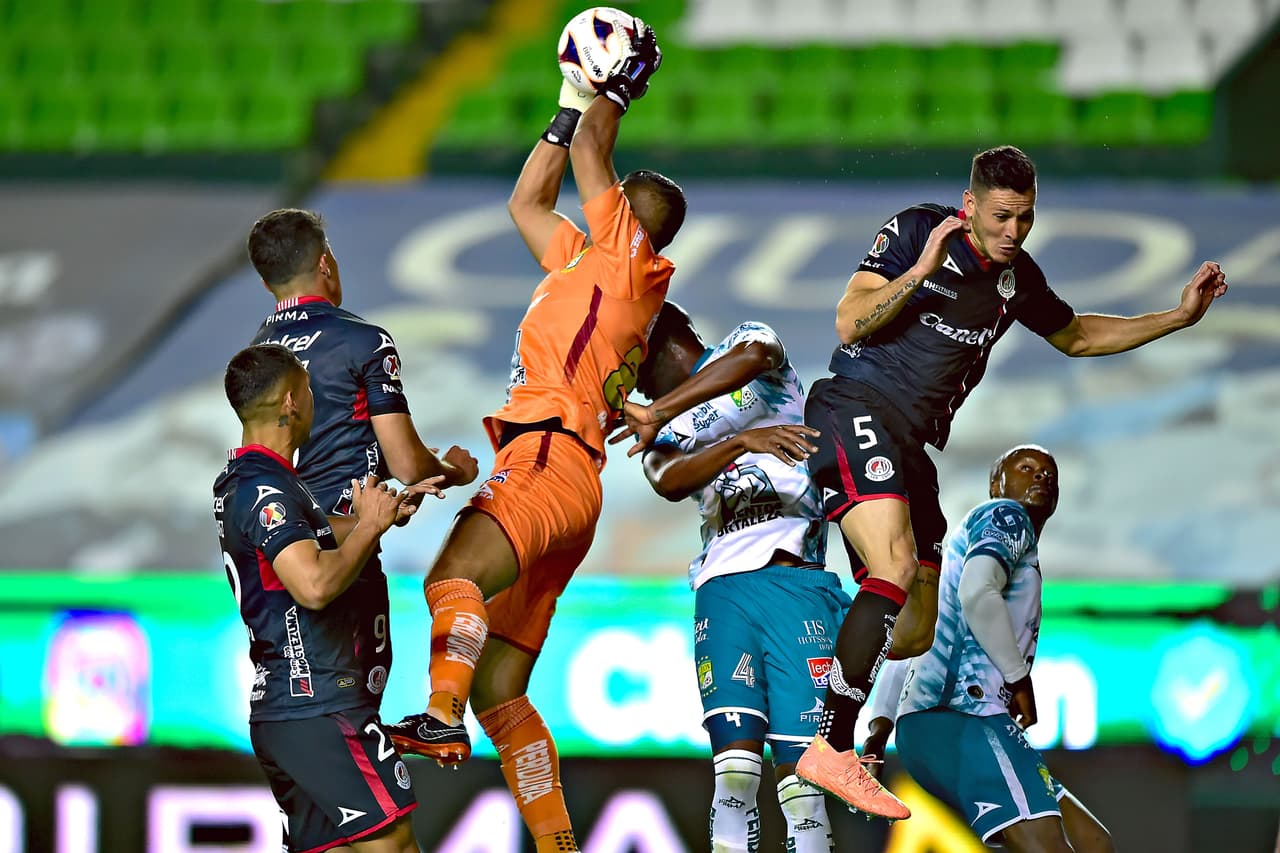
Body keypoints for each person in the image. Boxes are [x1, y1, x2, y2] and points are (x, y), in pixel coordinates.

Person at [794, 145, 1228, 818]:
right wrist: (921, 270)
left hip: (911, 446)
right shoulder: (918, 232)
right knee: (896, 562)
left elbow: (1079, 336)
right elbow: (850, 320)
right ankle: (831, 746)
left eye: (1024, 219)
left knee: (910, 628)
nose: (1012, 232)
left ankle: (817, 633)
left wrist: (1177, 318)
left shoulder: (1018, 277)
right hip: (855, 405)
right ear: (970, 207)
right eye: (1000, 217)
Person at [384, 24, 676, 853]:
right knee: (503, 687)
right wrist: (564, 104)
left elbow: (592, 151)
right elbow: (525, 202)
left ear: (639, 225)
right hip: (566, 479)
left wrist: (610, 89)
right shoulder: (586, 262)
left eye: (624, 198)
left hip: (546, 455)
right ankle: (556, 841)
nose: (609, 199)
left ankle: (439, 714)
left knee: (452, 575)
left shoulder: (629, 263)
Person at [624, 303, 839, 852]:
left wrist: (661, 410)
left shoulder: (747, 341)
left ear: (666, 339)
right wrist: (740, 443)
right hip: (725, 588)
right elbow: (666, 479)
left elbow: (754, 356)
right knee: (736, 774)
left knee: (806, 786)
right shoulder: (661, 428)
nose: (638, 382)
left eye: (638, 363)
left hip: (799, 582)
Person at [214, 343, 443, 853]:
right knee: (395, 846)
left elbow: (308, 539)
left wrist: (381, 513)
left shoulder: (247, 482)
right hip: (319, 704)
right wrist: (369, 528)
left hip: (291, 712)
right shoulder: (266, 490)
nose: (317, 402)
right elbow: (313, 584)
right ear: (292, 402)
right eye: (312, 391)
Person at [872, 445, 1115, 852]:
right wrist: (1020, 680)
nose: (1042, 477)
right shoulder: (1006, 515)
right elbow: (978, 592)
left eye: (1050, 475)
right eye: (1026, 468)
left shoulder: (969, 547)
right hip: (964, 718)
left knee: (1093, 844)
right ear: (995, 484)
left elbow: (915, 638)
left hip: (926, 729)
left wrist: (879, 731)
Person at [246, 207, 478, 528]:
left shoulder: (256, 352)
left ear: (266, 284)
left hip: (278, 546)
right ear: (325, 263)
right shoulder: (364, 340)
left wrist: (387, 491)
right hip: (342, 554)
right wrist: (452, 471)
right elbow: (408, 466)